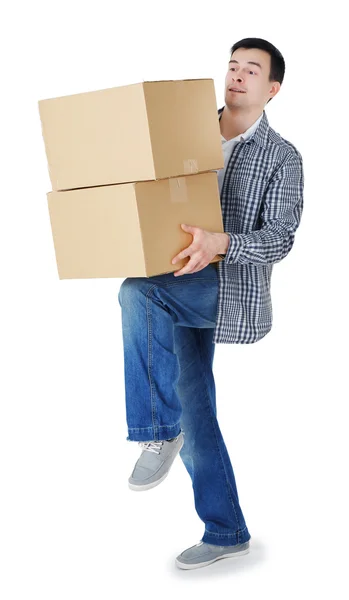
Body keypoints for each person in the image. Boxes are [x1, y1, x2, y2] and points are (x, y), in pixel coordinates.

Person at [117, 37, 304, 570]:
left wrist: (220, 243)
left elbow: (281, 238)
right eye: (232, 66)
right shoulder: (186, 133)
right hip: (177, 282)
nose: (237, 76)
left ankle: (157, 429)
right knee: (195, 408)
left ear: (272, 89)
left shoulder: (281, 157)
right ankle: (226, 531)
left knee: (137, 292)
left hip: (227, 290)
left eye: (252, 70)